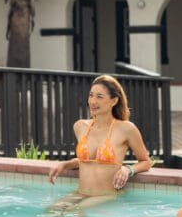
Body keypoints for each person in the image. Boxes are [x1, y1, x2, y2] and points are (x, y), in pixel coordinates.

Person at [47, 74, 152, 207]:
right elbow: (86, 160)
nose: (93, 101)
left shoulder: (126, 129)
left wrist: (127, 169)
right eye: (91, 95)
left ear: (114, 101)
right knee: (52, 211)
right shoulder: (80, 126)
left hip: (106, 195)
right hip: (81, 192)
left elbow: (146, 162)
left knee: (75, 213)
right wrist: (64, 164)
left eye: (99, 97)